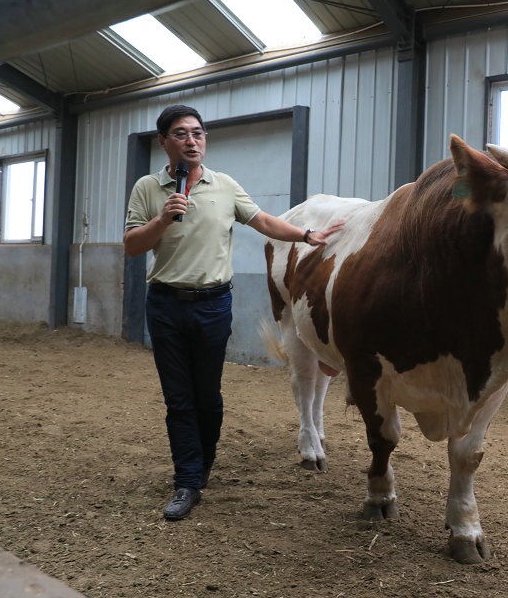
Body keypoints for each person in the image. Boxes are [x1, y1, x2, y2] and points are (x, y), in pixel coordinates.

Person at [123, 104, 343, 521]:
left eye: (198, 133)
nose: (192, 141)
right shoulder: (147, 188)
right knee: (178, 398)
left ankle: (202, 462)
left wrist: (306, 234)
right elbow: (133, 245)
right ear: (164, 142)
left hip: (213, 305)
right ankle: (187, 480)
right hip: (166, 305)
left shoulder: (224, 185)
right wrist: (162, 219)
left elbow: (264, 222)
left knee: (207, 395)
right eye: (182, 134)